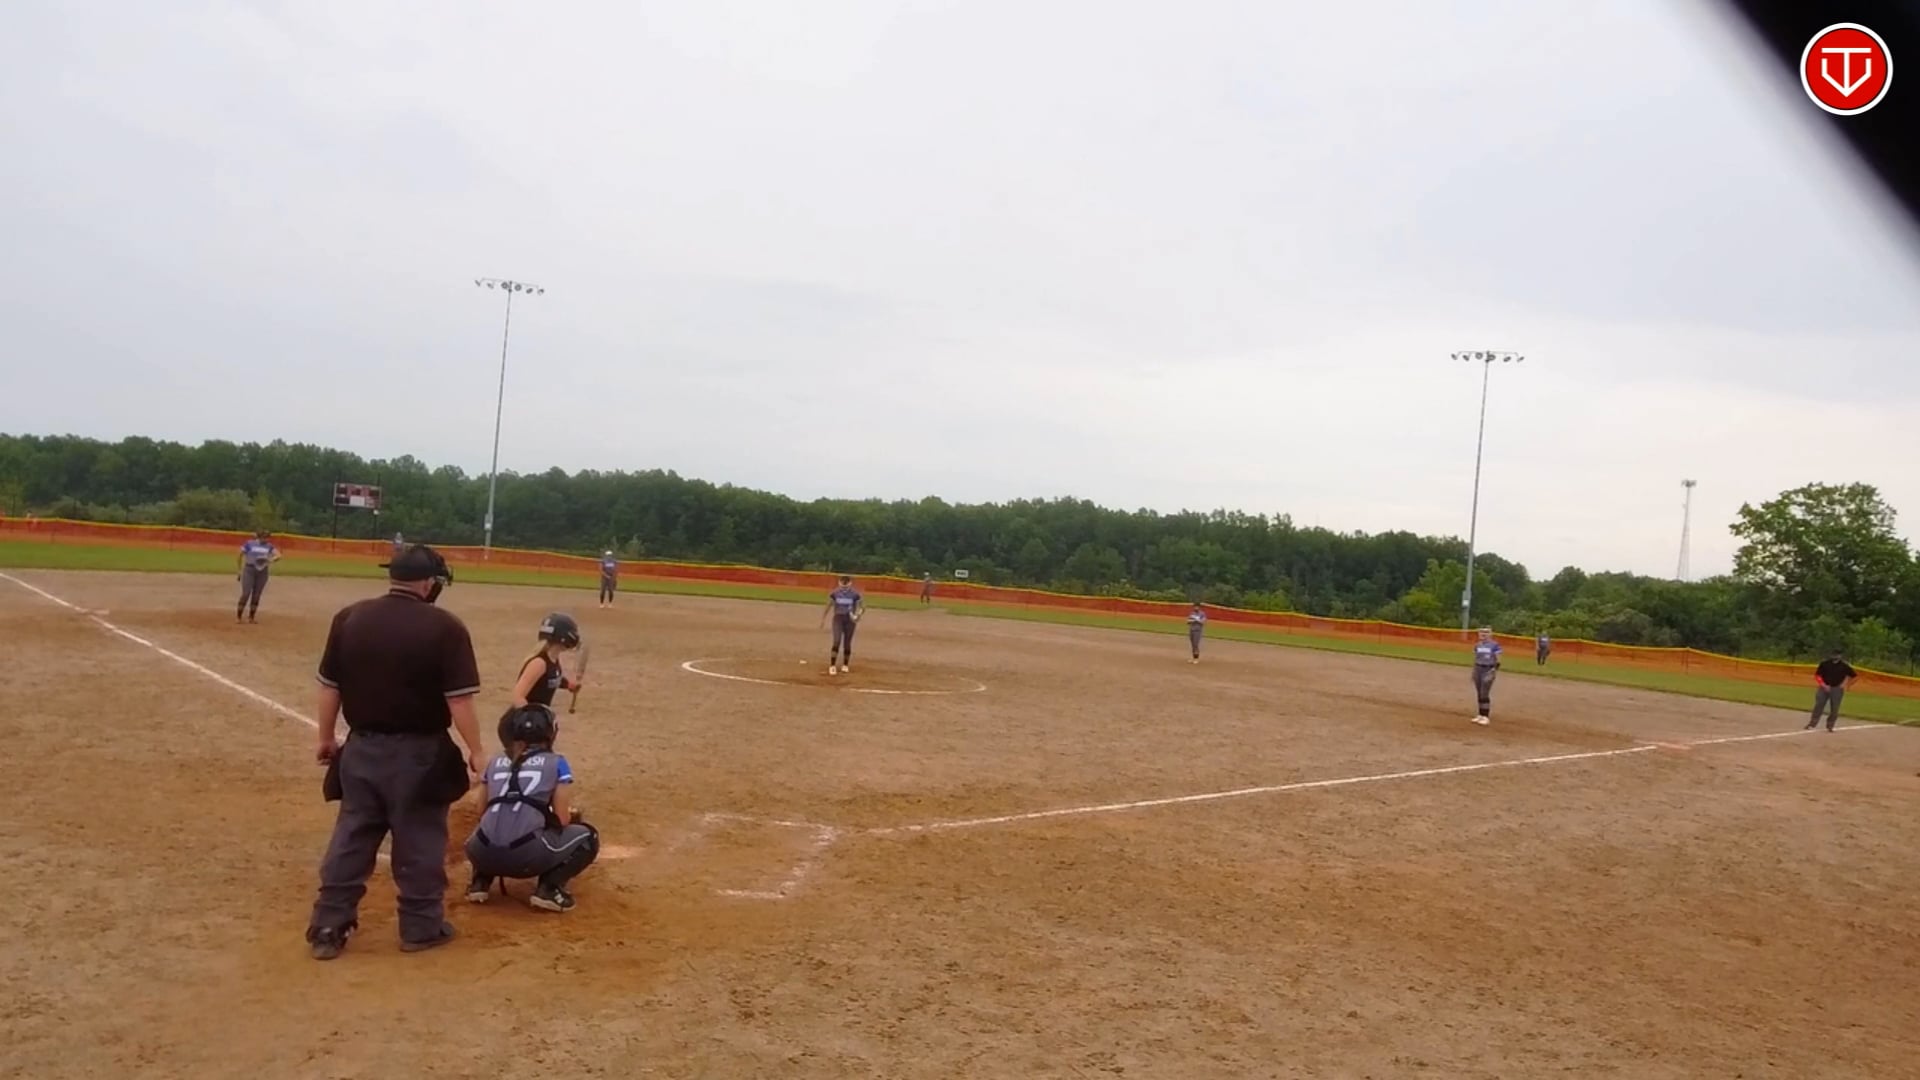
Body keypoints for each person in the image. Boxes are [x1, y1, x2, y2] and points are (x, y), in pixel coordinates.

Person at [305, 544, 487, 961]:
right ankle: (421, 927)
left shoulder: (350, 618)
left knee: (352, 837)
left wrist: (326, 737)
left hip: (361, 749)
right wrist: (476, 750)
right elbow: (459, 700)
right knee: (420, 840)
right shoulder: (445, 627)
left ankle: (329, 925)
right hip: (419, 754)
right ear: (428, 582)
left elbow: (330, 687)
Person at [464, 704, 600, 912]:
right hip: (525, 859)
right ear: (550, 732)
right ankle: (549, 889)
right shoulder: (557, 762)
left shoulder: (495, 761)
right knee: (588, 837)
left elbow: (480, 811)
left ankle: (479, 882)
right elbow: (562, 819)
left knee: (489, 824)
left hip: (479, 853)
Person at [505, 613, 582, 744]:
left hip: (536, 724)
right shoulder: (539, 663)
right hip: (521, 726)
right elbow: (518, 695)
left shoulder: (552, 659)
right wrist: (531, 720)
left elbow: (550, 678)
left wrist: (568, 684)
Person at [1803, 648, 1858, 732]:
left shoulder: (1844, 666)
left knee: (1835, 708)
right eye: (1834, 654)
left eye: (1837, 654)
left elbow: (1854, 676)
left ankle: (1830, 725)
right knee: (1818, 705)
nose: (1835, 656)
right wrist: (1823, 685)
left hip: (1836, 689)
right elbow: (1818, 675)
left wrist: (1845, 685)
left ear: (1840, 656)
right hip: (1824, 687)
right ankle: (1812, 724)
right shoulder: (1825, 664)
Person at [820, 574, 865, 675]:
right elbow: (829, 605)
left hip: (850, 620)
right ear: (839, 584)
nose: (844, 588)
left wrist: (858, 615)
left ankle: (845, 664)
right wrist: (823, 619)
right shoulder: (835, 593)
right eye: (842, 586)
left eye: (846, 586)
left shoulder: (855, 594)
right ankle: (832, 665)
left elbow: (862, 607)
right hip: (838, 619)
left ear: (850, 584)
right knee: (836, 640)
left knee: (847, 643)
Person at [235, 529, 280, 623]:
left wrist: (270, 560)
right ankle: (238, 616)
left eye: (268, 538)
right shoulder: (249, 543)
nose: (267, 540)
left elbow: (278, 555)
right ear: (259, 537)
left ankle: (251, 617)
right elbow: (240, 554)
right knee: (246, 593)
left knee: (256, 595)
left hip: (262, 571)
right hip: (249, 570)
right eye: (265, 538)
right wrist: (239, 570)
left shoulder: (269, 546)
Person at [1470, 627, 1501, 726]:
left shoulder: (1494, 645)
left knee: (1484, 692)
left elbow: (1498, 660)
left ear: (1490, 634)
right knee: (1479, 692)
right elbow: (1476, 658)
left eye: (1486, 632)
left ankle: (1485, 716)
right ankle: (1480, 715)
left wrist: (1493, 671)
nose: (1483, 634)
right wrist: (1474, 671)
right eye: (1481, 632)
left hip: (1488, 669)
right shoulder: (1477, 645)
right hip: (1478, 669)